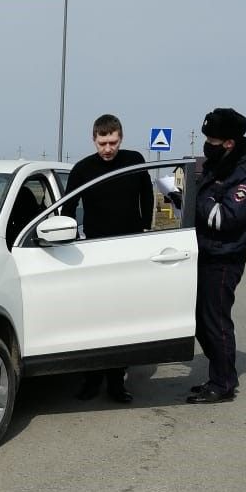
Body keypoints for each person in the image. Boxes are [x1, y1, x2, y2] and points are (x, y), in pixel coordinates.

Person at [62, 113, 154, 404]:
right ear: (94, 140)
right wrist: (67, 238)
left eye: (113, 142)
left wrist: (145, 230)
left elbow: (147, 193)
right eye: (102, 142)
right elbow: (68, 206)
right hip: (94, 252)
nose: (108, 149)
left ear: (120, 138)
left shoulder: (134, 160)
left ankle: (117, 382)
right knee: (92, 317)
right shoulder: (83, 169)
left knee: (121, 318)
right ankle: (91, 379)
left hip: (128, 249)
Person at [187, 107, 246, 403]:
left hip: (224, 258)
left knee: (216, 321)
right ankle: (218, 374)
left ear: (230, 142)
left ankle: (222, 384)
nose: (207, 144)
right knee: (200, 319)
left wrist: (199, 197)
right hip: (206, 251)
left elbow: (225, 218)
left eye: (213, 139)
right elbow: (207, 204)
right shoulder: (221, 162)